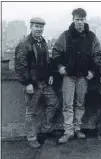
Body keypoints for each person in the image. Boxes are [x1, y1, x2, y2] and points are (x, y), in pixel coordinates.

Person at [52, 8, 101, 144]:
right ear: (73, 20)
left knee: (80, 103)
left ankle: (77, 128)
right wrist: (60, 66)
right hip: (69, 76)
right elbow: (55, 52)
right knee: (67, 104)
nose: (79, 22)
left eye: (82, 19)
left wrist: (92, 71)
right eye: (77, 19)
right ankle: (68, 132)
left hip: (83, 77)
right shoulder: (65, 35)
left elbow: (97, 55)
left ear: (85, 20)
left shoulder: (91, 37)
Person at [15, 17, 59, 148]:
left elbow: (47, 61)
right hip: (33, 84)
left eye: (41, 27)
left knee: (54, 103)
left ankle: (45, 130)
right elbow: (20, 66)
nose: (39, 29)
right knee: (31, 112)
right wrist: (27, 82)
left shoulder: (43, 42)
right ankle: (32, 137)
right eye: (36, 26)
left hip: (45, 82)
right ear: (31, 27)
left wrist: (50, 74)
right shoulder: (24, 43)